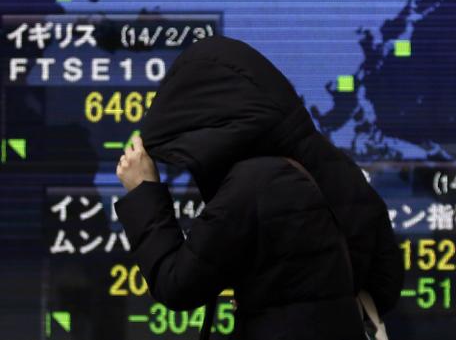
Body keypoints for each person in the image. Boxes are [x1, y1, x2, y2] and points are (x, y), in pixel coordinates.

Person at [114, 35, 403, 340]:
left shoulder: (252, 183)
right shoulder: (335, 166)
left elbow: (175, 285)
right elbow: (386, 279)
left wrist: (143, 191)